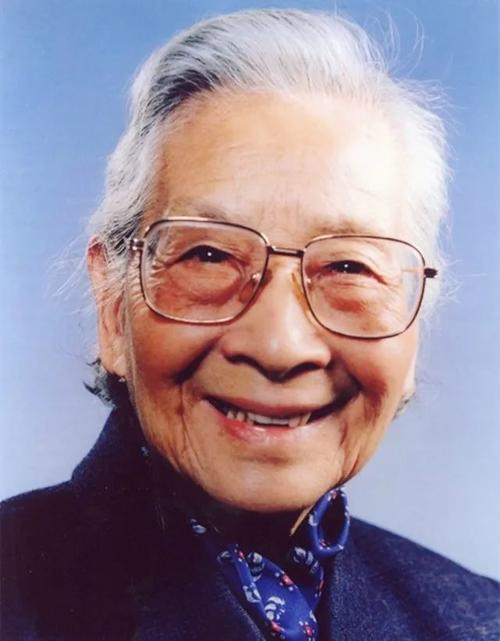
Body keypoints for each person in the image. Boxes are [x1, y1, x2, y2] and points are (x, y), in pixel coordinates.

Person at [1, 8, 498, 641]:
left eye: (349, 267)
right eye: (208, 256)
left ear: (414, 319)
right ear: (111, 304)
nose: (278, 346)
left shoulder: (477, 619)